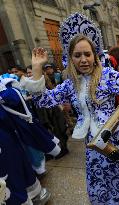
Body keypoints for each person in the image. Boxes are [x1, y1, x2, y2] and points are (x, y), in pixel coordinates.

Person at [23, 34, 119, 204]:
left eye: (87, 54)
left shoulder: (108, 75)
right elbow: (44, 100)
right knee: (102, 187)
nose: (83, 60)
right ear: (71, 58)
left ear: (95, 55)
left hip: (118, 141)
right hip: (93, 145)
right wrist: (36, 68)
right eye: (77, 55)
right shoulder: (70, 83)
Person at [0, 73, 61, 204]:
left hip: (10, 141)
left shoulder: (6, 87)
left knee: (17, 171)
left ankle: (32, 194)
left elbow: (16, 99)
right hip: (9, 141)